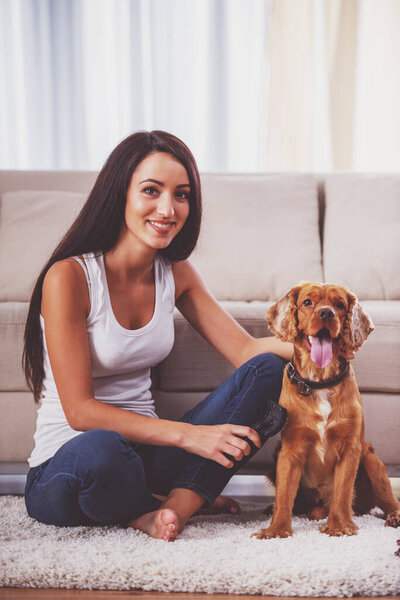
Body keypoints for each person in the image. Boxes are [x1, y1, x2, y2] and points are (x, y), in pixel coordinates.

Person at [23, 130, 291, 542]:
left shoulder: (175, 272)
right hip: (69, 465)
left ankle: (175, 505)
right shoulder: (70, 277)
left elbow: (247, 352)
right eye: (152, 190)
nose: (168, 209)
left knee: (269, 370)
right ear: (120, 193)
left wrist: (326, 349)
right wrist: (191, 436)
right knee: (102, 450)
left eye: (181, 195)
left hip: (146, 457)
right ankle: (154, 504)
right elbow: (80, 411)